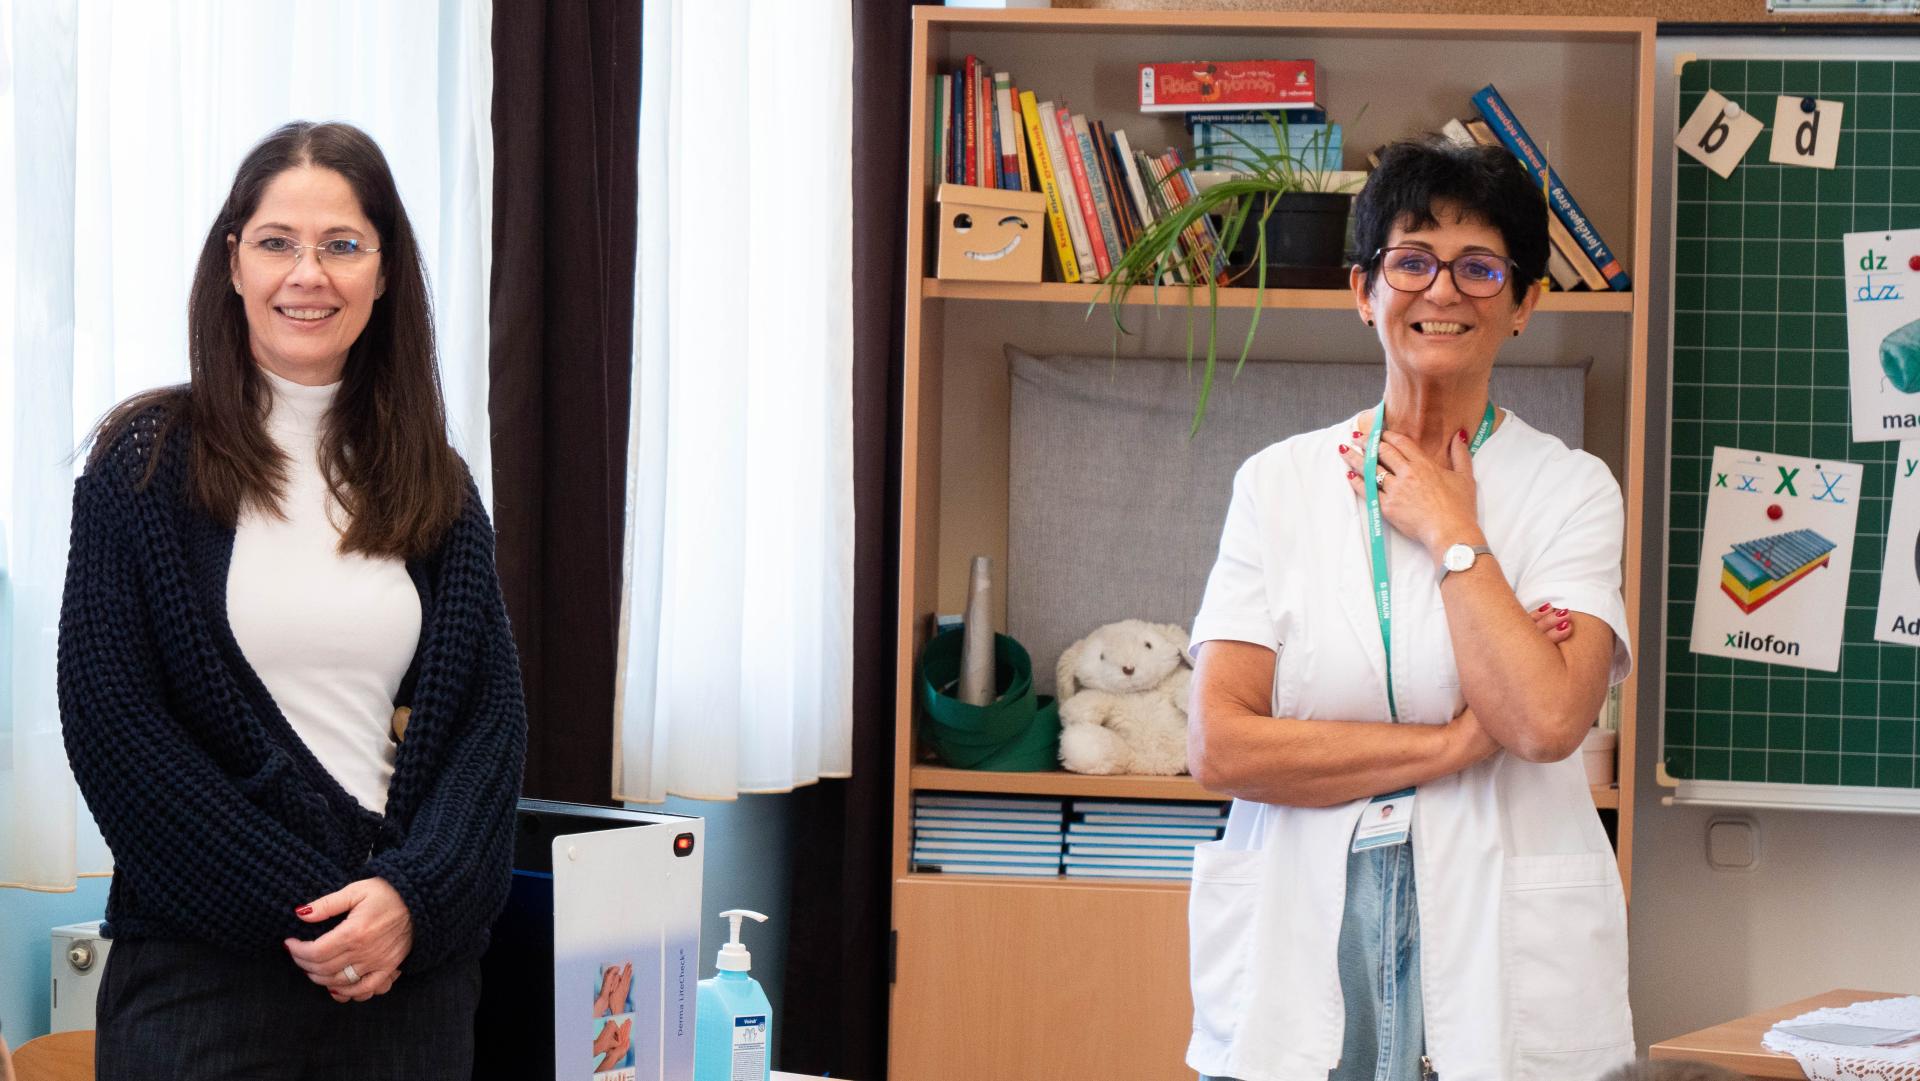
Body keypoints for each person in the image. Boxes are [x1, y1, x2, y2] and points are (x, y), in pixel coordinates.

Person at [58, 121, 526, 1081]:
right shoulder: (143, 463)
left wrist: (409, 901)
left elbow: (489, 727)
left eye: (342, 245)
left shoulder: (437, 486)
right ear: (233, 261)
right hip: (202, 983)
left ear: (384, 273)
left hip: (406, 985)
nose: (307, 275)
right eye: (278, 242)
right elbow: (116, 727)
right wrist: (321, 910)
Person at [1184, 136, 1633, 1081]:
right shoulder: (1277, 483)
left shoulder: (1573, 489)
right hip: (1308, 918)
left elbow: (1545, 721)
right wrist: (1456, 742)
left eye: (1480, 268)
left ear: (1524, 303)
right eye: (1412, 261)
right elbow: (1221, 746)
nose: (1443, 291)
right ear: (1364, 290)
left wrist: (1450, 529)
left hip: (1499, 921)